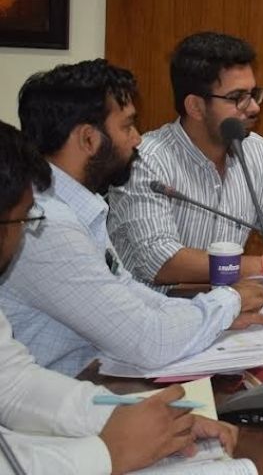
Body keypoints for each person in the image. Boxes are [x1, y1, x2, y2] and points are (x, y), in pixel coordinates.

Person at [0, 60, 263, 377]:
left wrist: (215, 317)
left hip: (90, 378)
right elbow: (148, 340)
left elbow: (130, 293)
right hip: (56, 396)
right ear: (88, 139)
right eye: (127, 126)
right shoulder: (47, 225)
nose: (137, 139)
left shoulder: (78, 206)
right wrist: (229, 301)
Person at [0, 119, 239, 474]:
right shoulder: (57, 227)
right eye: (22, 221)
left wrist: (143, 420)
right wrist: (107, 453)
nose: (22, 236)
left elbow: (14, 384)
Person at [108, 32, 263, 286]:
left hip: (224, 305)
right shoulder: (146, 160)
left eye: (253, 93)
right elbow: (161, 261)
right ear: (195, 106)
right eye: (237, 97)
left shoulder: (256, 150)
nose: (254, 107)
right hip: (153, 307)